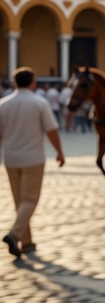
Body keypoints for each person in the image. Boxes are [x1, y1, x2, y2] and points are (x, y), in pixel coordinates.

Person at [1, 68, 65, 259]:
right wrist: (59, 152)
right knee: (30, 200)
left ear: (14, 83)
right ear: (33, 82)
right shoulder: (39, 102)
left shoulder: (3, 104)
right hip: (33, 158)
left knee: (20, 201)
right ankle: (14, 235)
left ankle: (26, 242)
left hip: (11, 159)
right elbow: (51, 130)